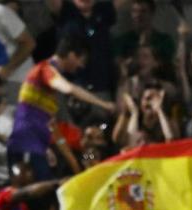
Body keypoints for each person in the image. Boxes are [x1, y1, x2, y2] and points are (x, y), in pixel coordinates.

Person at [7, 33, 116, 181]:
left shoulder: (87, 147)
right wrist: (104, 104)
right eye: (81, 60)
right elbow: (69, 89)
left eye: (97, 137)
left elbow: (82, 164)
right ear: (71, 55)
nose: (81, 66)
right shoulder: (45, 69)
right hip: (28, 141)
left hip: (36, 143)